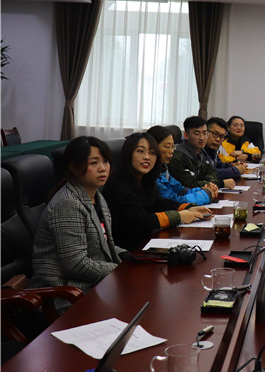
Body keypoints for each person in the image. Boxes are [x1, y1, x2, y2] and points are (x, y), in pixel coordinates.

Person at [30, 137, 126, 294]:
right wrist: (120, 270)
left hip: (91, 285)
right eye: (94, 163)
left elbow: (101, 245)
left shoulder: (96, 196)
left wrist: (128, 257)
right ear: (74, 168)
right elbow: (76, 265)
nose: (103, 168)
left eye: (106, 161)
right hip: (65, 293)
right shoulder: (68, 203)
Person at [104, 132, 211, 250]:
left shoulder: (145, 181)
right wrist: (179, 216)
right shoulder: (118, 186)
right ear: (128, 154)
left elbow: (159, 202)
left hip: (147, 242)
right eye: (140, 151)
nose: (147, 157)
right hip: (129, 250)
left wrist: (187, 207)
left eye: (152, 153)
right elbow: (140, 222)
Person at [146, 125, 215, 205]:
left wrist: (203, 190)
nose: (172, 151)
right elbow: (175, 201)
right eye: (167, 147)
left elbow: (179, 189)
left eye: (173, 147)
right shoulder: (150, 176)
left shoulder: (163, 169)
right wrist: (205, 194)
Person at [169, 116, 231, 189]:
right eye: (197, 133)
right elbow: (190, 185)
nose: (202, 138)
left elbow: (212, 173)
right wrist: (220, 183)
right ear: (186, 135)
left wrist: (206, 182)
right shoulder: (177, 156)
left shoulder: (199, 153)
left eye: (205, 133)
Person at [205, 117, 247, 181]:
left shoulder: (212, 150)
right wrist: (236, 170)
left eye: (222, 136)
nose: (218, 139)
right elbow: (208, 173)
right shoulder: (198, 150)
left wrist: (232, 166)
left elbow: (220, 164)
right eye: (215, 134)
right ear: (205, 132)